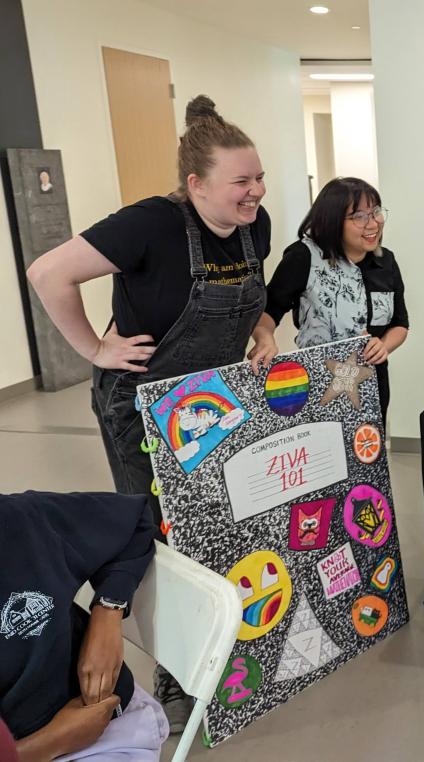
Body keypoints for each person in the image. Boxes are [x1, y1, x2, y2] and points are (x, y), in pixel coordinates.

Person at [26, 94, 271, 733]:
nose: (256, 191)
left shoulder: (255, 224)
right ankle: (175, 668)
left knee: (215, 523)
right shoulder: (149, 225)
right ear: (196, 184)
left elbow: (254, 298)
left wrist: (266, 327)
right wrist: (93, 348)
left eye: (258, 177)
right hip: (141, 404)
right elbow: (48, 272)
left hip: (213, 401)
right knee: (155, 530)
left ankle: (218, 638)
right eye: (241, 181)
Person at [1, 491, 167, 760]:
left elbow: (132, 520)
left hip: (103, 731)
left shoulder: (20, 520)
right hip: (50, 740)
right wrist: (51, 742)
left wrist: (108, 611)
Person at [249, 177, 409, 423]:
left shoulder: (385, 261)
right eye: (359, 216)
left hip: (370, 381)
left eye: (376, 212)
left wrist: (384, 346)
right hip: (318, 381)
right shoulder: (304, 257)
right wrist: (265, 338)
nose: (373, 222)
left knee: (369, 453)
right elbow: (268, 311)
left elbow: (400, 323)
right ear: (333, 222)